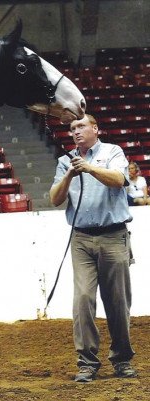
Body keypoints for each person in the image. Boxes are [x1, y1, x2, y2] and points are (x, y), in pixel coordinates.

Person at [49, 114, 136, 382]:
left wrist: (89, 168)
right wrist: (70, 175)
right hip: (81, 238)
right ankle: (87, 362)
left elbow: (119, 180)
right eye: (72, 128)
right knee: (82, 300)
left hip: (113, 235)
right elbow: (55, 199)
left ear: (95, 129)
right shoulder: (65, 162)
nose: (76, 132)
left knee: (118, 301)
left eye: (81, 126)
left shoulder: (112, 152)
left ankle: (122, 359)